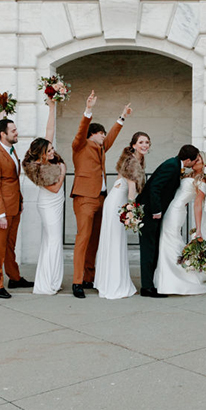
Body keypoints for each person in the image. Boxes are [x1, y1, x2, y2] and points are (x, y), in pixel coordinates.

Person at [71, 91, 131, 298]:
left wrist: (122, 117)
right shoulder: (80, 145)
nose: (105, 135)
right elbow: (80, 132)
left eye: (105, 133)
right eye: (101, 133)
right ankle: (77, 281)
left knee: (95, 239)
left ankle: (89, 277)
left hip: (102, 198)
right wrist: (88, 110)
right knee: (83, 238)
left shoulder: (101, 148)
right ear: (92, 134)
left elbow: (113, 136)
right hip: (84, 198)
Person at [138, 144, 201, 297]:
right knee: (148, 249)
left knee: (153, 248)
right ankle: (146, 287)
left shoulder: (174, 165)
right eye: (195, 160)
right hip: (150, 212)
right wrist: (156, 210)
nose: (195, 164)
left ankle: (151, 283)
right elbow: (154, 187)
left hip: (156, 212)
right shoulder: (171, 166)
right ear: (188, 160)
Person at [95, 131, 148, 300]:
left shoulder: (137, 159)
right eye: (141, 142)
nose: (145, 145)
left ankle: (110, 281)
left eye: (147, 142)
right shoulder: (132, 161)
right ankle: (113, 285)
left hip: (119, 200)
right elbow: (131, 189)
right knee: (115, 241)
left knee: (116, 241)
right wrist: (132, 211)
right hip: (118, 202)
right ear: (134, 145)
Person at [23, 100, 67, 296]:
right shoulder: (38, 169)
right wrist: (63, 171)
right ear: (41, 154)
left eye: (51, 149)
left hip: (55, 204)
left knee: (52, 241)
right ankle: (48, 282)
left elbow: (49, 131)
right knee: (54, 240)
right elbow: (55, 189)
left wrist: (51, 108)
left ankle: (52, 279)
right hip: (49, 204)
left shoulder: (47, 158)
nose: (52, 152)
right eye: (48, 151)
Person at [0, 118, 32, 298]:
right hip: (2, 210)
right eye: (13, 130)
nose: (17, 132)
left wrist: (19, 202)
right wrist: (0, 214)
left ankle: (14, 277)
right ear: (3, 134)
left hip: (15, 207)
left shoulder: (12, 151)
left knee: (10, 245)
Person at [155, 152, 206, 296]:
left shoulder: (202, 181)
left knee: (170, 240)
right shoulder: (186, 175)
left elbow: (197, 205)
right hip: (170, 208)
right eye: (194, 159)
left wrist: (198, 229)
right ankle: (165, 277)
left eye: (198, 160)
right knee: (166, 240)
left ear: (204, 164)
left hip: (176, 211)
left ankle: (179, 278)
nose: (194, 162)